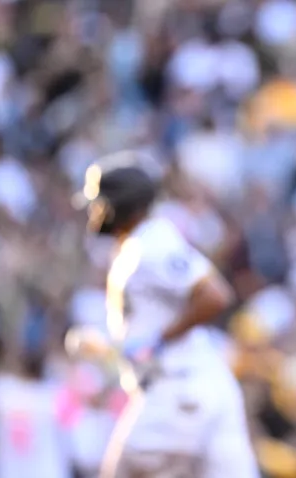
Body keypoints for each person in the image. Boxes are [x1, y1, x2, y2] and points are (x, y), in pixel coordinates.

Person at [72, 151, 261, 478]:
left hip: (176, 390)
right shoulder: (143, 243)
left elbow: (214, 296)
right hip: (206, 387)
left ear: (119, 204)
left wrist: (159, 339)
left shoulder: (150, 243)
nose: (94, 210)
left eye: (99, 202)